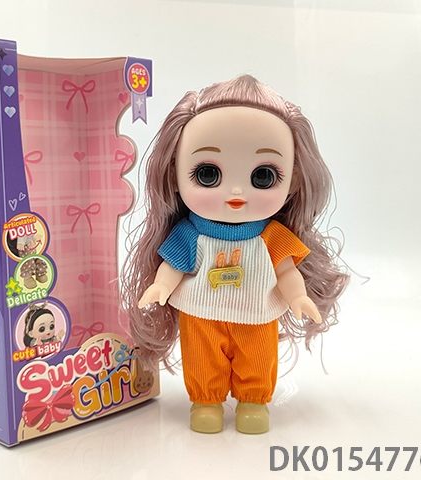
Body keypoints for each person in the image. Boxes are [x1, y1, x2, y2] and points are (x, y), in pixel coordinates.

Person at [120, 75, 349, 434]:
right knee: (201, 358)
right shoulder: (191, 234)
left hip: (257, 313)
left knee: (257, 358)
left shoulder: (271, 236)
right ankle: (206, 401)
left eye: (264, 176)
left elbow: (287, 271)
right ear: (174, 173)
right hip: (200, 313)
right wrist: (160, 287)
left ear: (293, 180)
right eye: (208, 174)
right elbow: (173, 265)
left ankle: (253, 401)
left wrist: (298, 296)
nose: (237, 192)